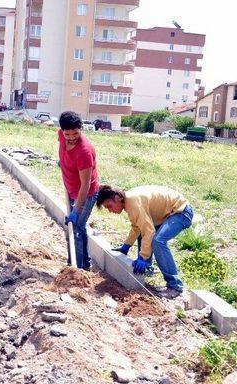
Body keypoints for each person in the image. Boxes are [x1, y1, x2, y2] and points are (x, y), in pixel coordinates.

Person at [96, 184, 194, 296]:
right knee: (143, 230)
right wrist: (126, 246)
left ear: (117, 198)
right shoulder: (129, 201)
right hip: (168, 213)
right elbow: (137, 227)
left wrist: (142, 256)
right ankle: (146, 269)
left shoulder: (133, 202)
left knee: (158, 241)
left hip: (181, 212)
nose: (110, 211)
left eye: (109, 206)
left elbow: (149, 231)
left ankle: (175, 286)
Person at [58, 111, 99, 270]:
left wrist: (75, 210)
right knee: (76, 228)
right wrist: (63, 161)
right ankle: (81, 263)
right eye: (68, 134)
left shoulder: (84, 152)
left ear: (81, 128)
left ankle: (79, 269)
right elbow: (63, 146)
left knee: (76, 228)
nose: (72, 137)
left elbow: (85, 184)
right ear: (62, 131)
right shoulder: (61, 136)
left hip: (86, 194)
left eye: (76, 133)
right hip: (71, 189)